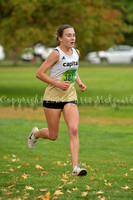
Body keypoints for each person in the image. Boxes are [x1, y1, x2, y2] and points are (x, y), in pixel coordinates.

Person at [27, 24, 87, 176]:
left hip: (70, 96)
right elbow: (40, 73)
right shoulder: (56, 54)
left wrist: (79, 82)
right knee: (53, 135)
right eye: (68, 35)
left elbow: (73, 70)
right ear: (60, 38)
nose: (72, 38)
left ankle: (75, 168)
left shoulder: (76, 52)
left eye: (73, 35)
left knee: (73, 129)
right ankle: (35, 134)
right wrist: (57, 84)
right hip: (53, 96)